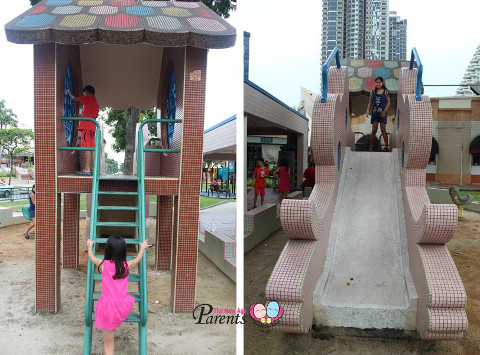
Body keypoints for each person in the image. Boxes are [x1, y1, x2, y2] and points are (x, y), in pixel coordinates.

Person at [86, 235, 148, 355]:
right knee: (110, 331)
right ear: (123, 251)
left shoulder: (104, 264)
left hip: (108, 307)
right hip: (122, 306)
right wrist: (142, 247)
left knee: (108, 341)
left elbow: (91, 257)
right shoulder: (126, 265)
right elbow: (137, 259)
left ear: (107, 250)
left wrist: (90, 245)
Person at [67, 85, 99, 175]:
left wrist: (69, 92)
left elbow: (75, 99)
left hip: (86, 127)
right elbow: (93, 115)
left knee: (86, 147)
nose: (83, 95)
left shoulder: (88, 98)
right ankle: (92, 168)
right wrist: (80, 115)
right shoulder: (95, 102)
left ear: (87, 92)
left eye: (84, 93)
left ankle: (87, 168)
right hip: (92, 127)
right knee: (92, 148)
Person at [365, 77, 391, 152]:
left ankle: (386, 147)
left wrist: (384, 111)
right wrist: (367, 111)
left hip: (383, 114)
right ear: (375, 83)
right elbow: (370, 102)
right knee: (374, 130)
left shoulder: (386, 91)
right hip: (375, 114)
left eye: (379, 82)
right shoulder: (372, 91)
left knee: (383, 130)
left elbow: (389, 102)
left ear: (382, 83)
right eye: (377, 82)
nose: (378, 83)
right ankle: (371, 147)